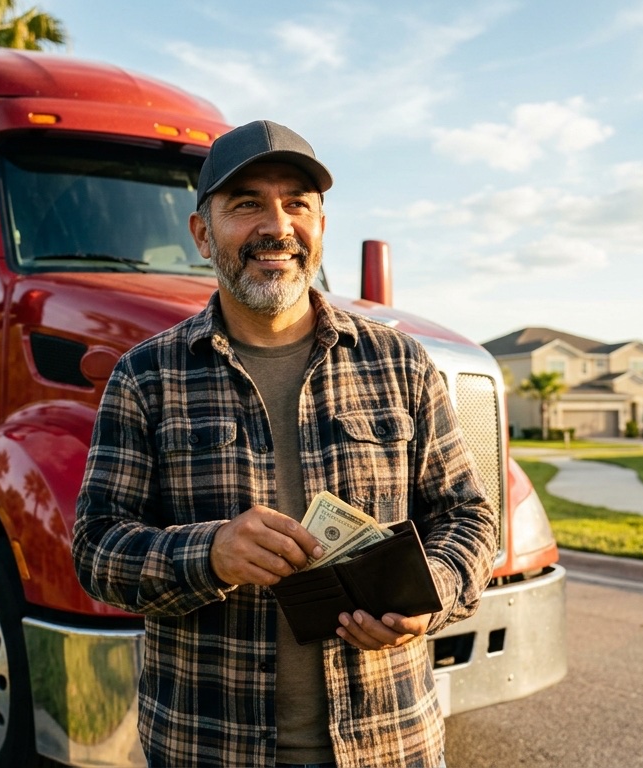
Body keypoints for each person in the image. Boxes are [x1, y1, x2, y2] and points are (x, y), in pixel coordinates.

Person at [72, 119, 498, 768]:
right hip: (207, 747)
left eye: (297, 204)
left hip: (390, 744)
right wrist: (209, 552)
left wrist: (432, 593)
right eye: (246, 204)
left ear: (321, 227)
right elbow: (96, 549)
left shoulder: (399, 362)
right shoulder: (146, 376)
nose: (277, 226)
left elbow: (470, 515)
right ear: (202, 232)